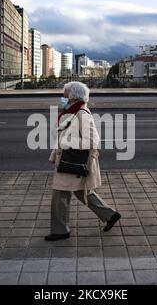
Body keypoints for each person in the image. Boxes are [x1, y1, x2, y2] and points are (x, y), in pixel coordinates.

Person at [46, 81, 121, 241]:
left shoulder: (81, 113)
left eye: (65, 93)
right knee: (82, 192)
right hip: (68, 160)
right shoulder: (71, 111)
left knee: (60, 195)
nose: (62, 96)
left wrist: (67, 143)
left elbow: (93, 141)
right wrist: (55, 153)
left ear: (73, 95)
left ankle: (61, 231)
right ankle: (110, 215)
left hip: (73, 161)